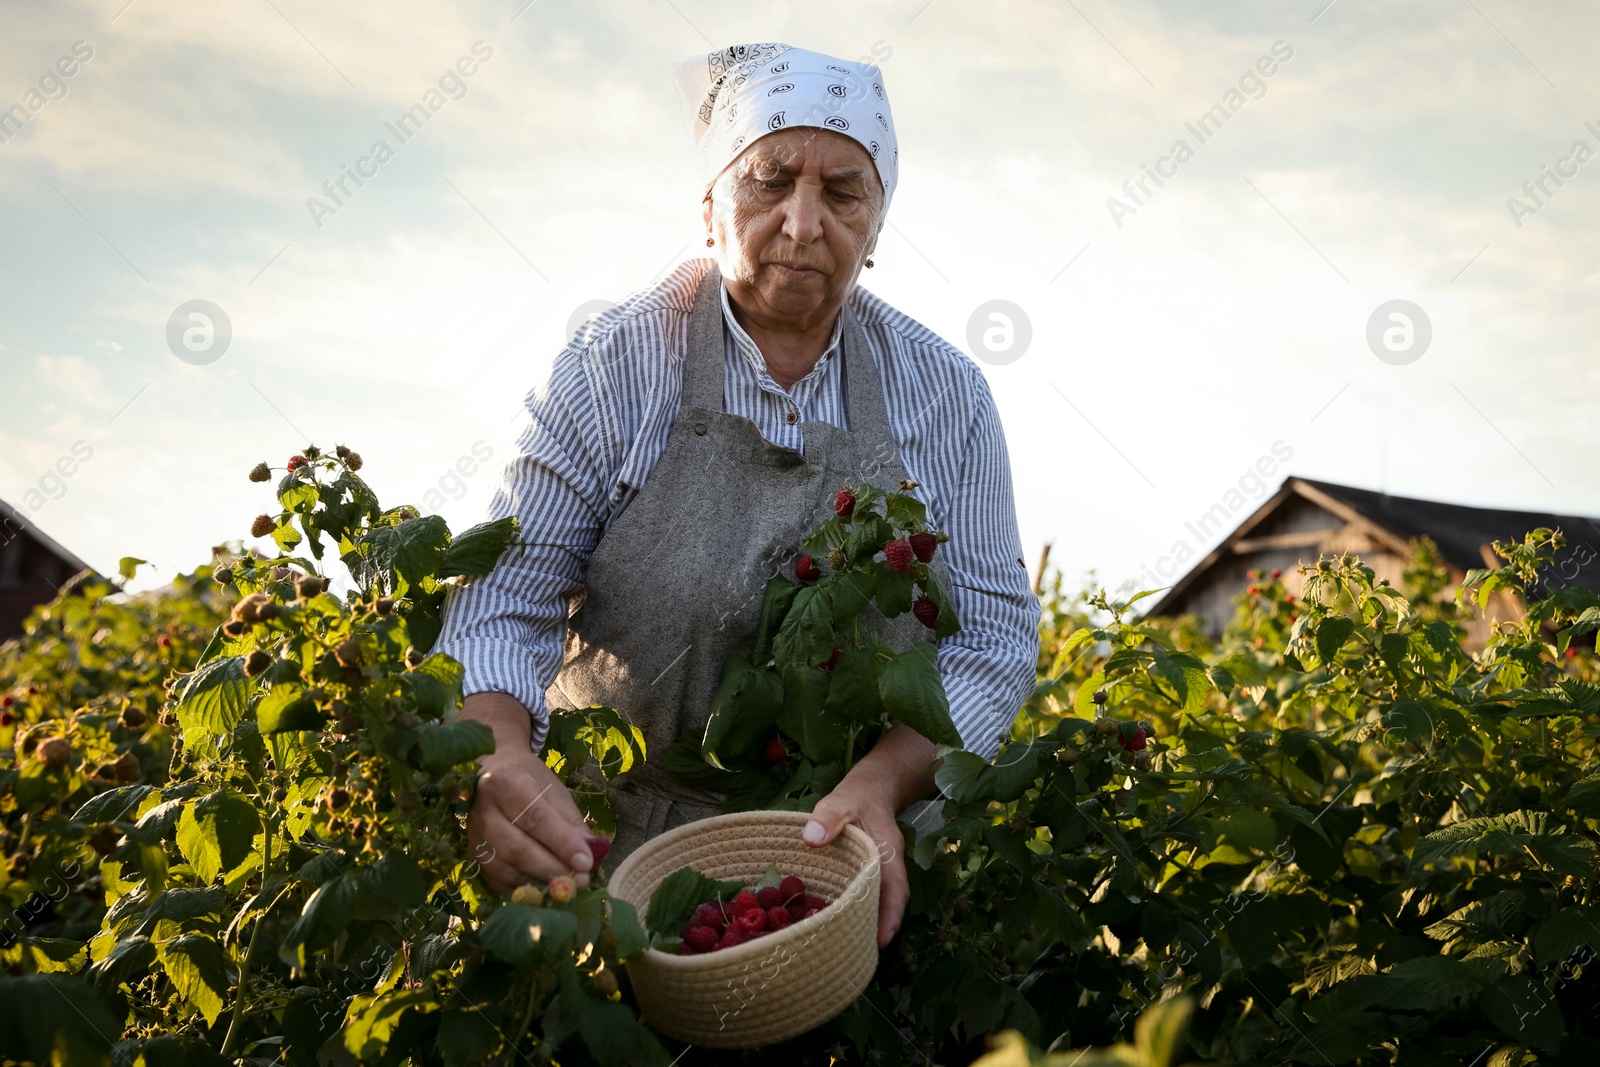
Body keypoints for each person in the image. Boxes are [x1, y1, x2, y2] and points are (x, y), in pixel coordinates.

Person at [435, 41, 1039, 947]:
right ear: (709, 209)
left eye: (842, 192)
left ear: (876, 226)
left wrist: (881, 784)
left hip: (847, 861)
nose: (803, 224)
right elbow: (502, 600)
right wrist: (498, 758)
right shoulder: (615, 370)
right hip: (613, 857)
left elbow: (993, 634)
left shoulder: (945, 394)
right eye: (769, 179)